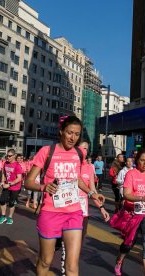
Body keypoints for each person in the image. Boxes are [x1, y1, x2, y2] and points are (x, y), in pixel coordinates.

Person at [24, 115, 104, 276]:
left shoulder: (79, 153)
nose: (73, 137)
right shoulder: (47, 152)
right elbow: (28, 182)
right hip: (51, 212)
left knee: (72, 266)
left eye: (76, 134)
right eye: (69, 133)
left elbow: (78, 179)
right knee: (45, 261)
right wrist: (44, 187)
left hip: (74, 212)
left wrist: (91, 193)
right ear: (61, 131)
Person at [110, 150, 145, 276]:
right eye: (142, 160)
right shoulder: (131, 174)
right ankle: (120, 260)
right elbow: (126, 194)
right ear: (137, 160)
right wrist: (141, 198)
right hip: (133, 213)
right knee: (129, 243)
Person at [0, 149, 22, 225]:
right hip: (6, 186)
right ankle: (3, 216)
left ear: (14, 156)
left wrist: (10, 184)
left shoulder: (17, 166)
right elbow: (4, 173)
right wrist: (2, 181)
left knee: (11, 203)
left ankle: (10, 217)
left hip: (15, 187)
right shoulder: (6, 163)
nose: (8, 157)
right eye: (7, 155)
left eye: (10, 156)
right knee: (2, 200)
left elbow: (19, 178)